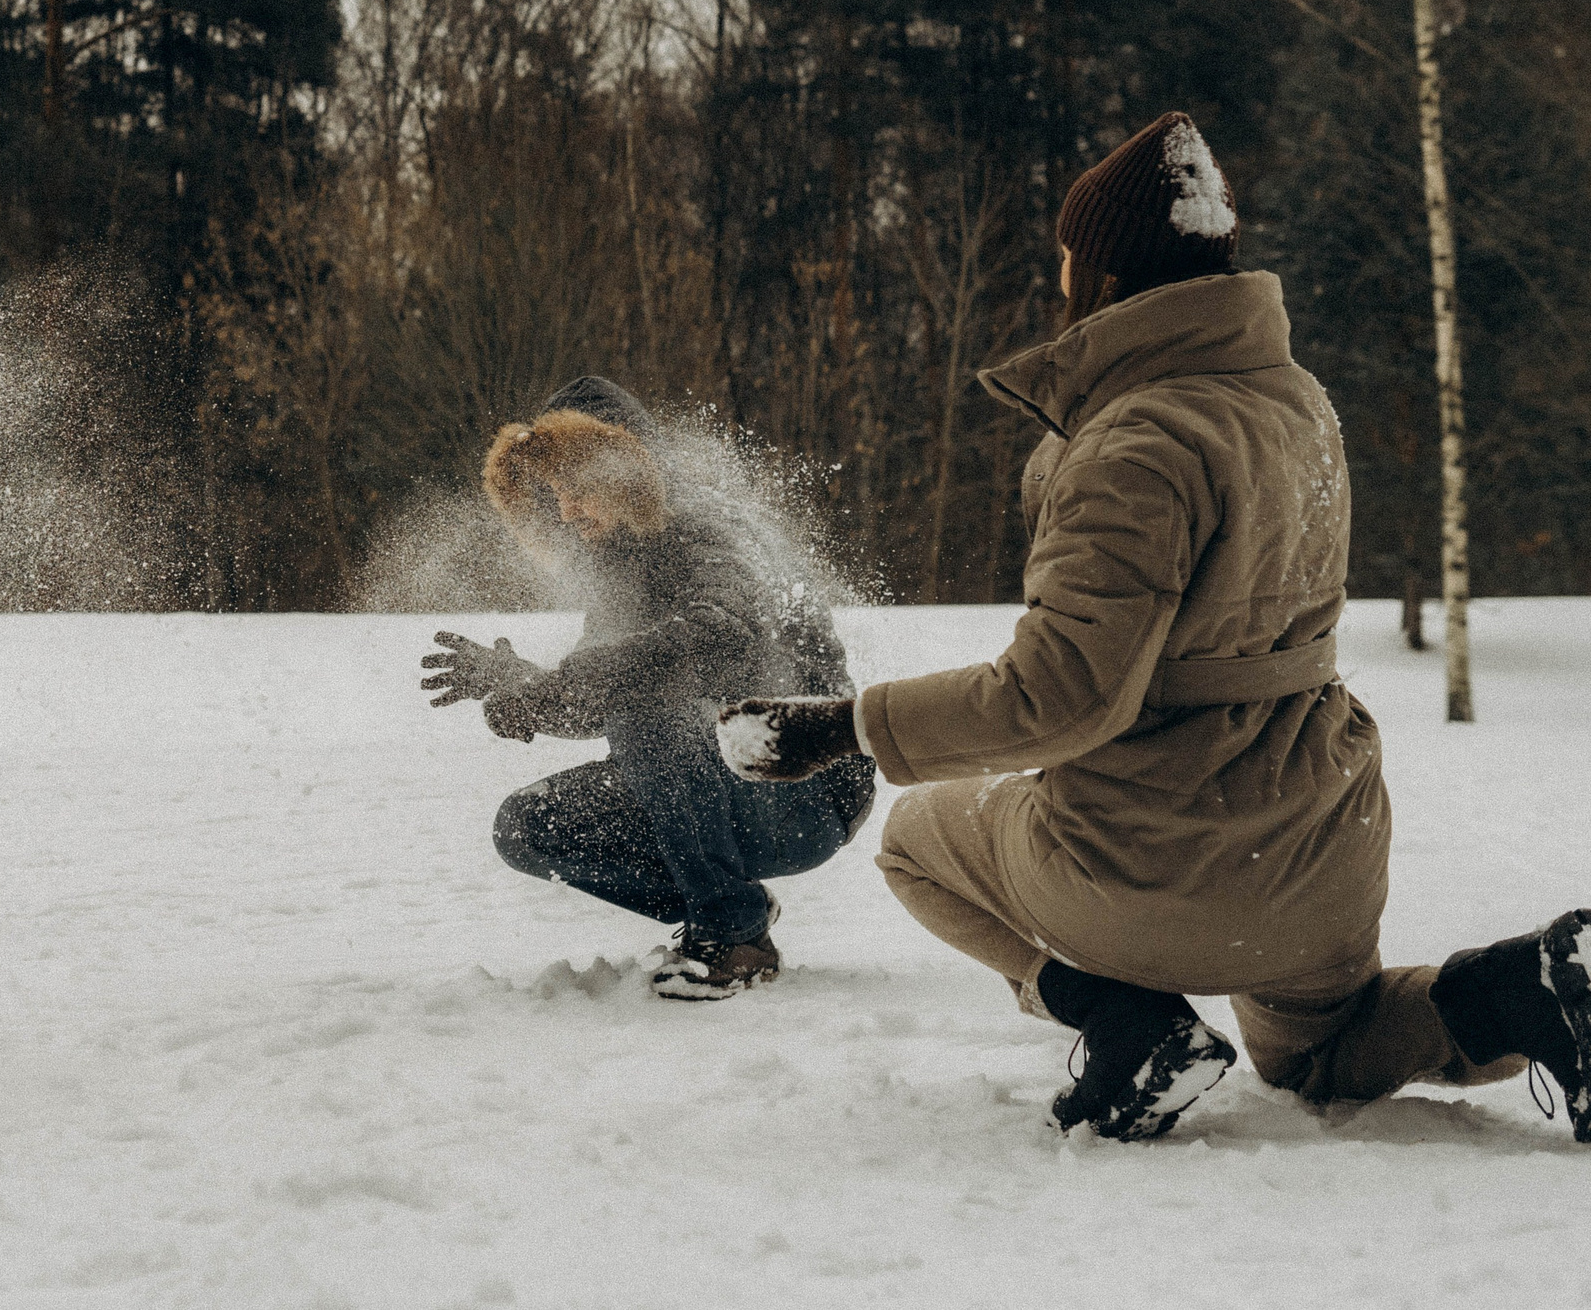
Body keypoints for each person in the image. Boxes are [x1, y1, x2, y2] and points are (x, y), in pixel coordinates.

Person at [724, 111, 1591, 1142]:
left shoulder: (1134, 442)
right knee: (1322, 1055)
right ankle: (1522, 991)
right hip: (1318, 845)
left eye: (1065, 257)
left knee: (917, 838)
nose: (1055, 278)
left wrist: (845, 727)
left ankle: (1124, 1024)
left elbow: (1060, 697)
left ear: (1101, 274)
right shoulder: (1296, 399)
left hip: (1151, 862)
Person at [423, 377, 875, 1000]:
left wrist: (602, 668)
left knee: (644, 709)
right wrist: (522, 684)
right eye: (556, 493)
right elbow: (595, 697)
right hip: (711, 784)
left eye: (579, 489)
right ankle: (727, 898)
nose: (566, 510)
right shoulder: (619, 562)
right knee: (525, 826)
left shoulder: (704, 526)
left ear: (625, 471)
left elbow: (731, 628)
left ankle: (732, 933)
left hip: (807, 790)